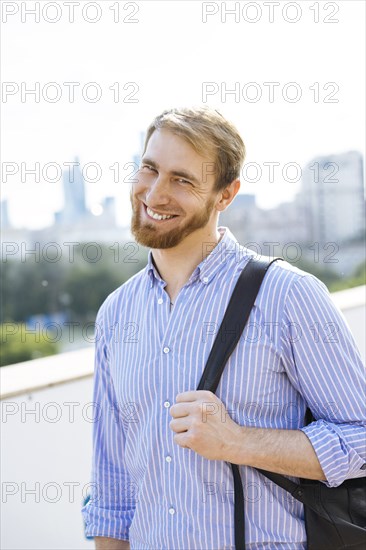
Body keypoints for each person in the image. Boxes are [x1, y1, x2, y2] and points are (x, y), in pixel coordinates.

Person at [81, 106, 365, 550]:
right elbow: (112, 486)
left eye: (182, 180)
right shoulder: (116, 315)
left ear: (225, 195)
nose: (155, 194)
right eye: (150, 169)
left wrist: (237, 441)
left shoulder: (288, 296)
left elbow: (362, 440)